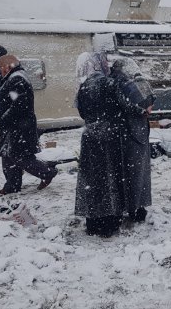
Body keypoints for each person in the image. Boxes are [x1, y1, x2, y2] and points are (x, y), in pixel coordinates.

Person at [74, 52, 124, 237]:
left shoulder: (84, 86)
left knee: (91, 180)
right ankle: (110, 221)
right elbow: (120, 107)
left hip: (89, 137)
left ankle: (93, 221)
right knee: (110, 177)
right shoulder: (110, 83)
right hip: (109, 135)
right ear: (101, 65)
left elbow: (81, 112)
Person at [0, 55, 57, 195]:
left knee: (19, 156)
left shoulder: (17, 78)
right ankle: (12, 186)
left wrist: (5, 118)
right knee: (8, 156)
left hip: (19, 126)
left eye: (0, 65)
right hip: (14, 126)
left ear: (8, 66)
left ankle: (47, 173)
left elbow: (19, 104)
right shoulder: (13, 76)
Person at [110, 58, 156, 223]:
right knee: (137, 172)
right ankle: (136, 208)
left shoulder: (111, 82)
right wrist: (143, 110)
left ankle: (123, 205)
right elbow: (149, 103)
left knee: (122, 172)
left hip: (117, 133)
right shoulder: (134, 83)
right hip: (136, 132)